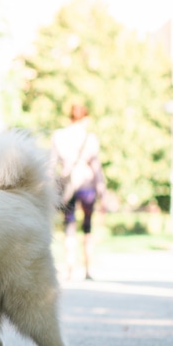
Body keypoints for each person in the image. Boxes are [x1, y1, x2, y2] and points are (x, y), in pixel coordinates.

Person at [52, 103, 106, 281]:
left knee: (69, 226)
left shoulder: (59, 136)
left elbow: (51, 166)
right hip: (87, 186)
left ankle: (69, 269)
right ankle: (87, 270)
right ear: (85, 118)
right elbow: (96, 167)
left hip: (68, 186)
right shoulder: (90, 138)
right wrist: (102, 190)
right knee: (88, 227)